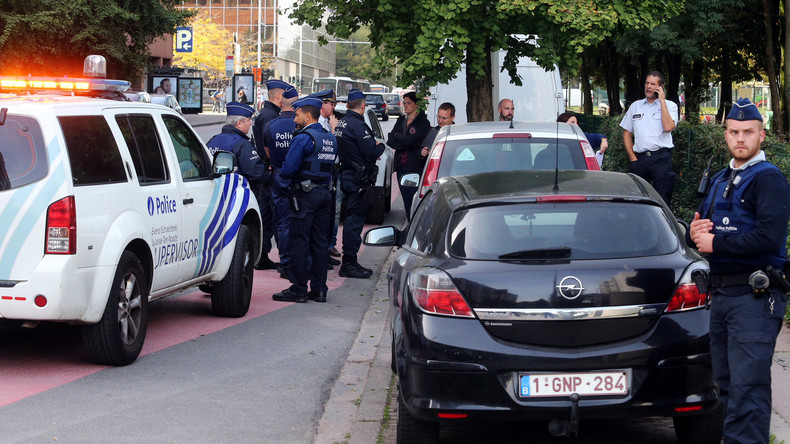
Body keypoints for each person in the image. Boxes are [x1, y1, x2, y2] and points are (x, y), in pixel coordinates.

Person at [689, 98, 790, 444]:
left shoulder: (769, 179)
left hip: (755, 298)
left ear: (761, 136)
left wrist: (717, 245)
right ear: (726, 135)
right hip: (722, 297)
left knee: (748, 390)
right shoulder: (721, 177)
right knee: (729, 389)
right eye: (734, 132)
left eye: (748, 132)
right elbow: (703, 225)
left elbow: (769, 236)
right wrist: (695, 232)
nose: (741, 138)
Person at [272, 97, 337, 303]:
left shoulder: (303, 138)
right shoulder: (330, 138)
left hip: (304, 195)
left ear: (308, 115)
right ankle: (319, 289)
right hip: (324, 195)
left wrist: (279, 186)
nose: (294, 119)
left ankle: (299, 288)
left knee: (299, 241)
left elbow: (289, 169)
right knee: (319, 242)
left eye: (297, 114)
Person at [206, 103, 270, 268]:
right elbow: (256, 173)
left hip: (214, 200)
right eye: (248, 120)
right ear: (239, 123)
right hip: (237, 200)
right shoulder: (242, 144)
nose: (250, 124)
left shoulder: (213, 141)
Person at [336, 89, 385, 279]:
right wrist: (380, 145)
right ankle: (349, 262)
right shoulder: (358, 125)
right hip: (358, 179)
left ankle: (349, 260)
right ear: (363, 106)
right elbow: (371, 151)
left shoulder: (342, 123)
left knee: (350, 218)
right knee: (355, 220)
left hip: (348, 175)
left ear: (348, 105)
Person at [619, 71, 678, 205]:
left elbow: (668, 127)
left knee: (661, 202)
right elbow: (627, 132)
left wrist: (662, 101)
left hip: (661, 159)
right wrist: (633, 158)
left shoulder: (670, 106)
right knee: (638, 202)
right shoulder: (636, 106)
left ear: (661, 87)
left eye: (653, 84)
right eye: (647, 83)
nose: (649, 87)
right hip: (640, 159)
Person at [252, 79, 290, 271]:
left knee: (266, 215)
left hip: (264, 170)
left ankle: (262, 255)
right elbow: (272, 146)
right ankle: (268, 255)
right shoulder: (270, 116)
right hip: (269, 171)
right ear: (278, 96)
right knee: (273, 217)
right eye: (286, 93)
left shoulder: (265, 113)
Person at [263, 85, 299, 278]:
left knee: (282, 222)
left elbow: (268, 153)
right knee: (301, 221)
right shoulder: (299, 124)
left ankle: (284, 261)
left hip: (277, 175)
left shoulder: (270, 125)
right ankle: (298, 262)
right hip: (298, 177)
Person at [310, 89, 342, 264]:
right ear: (323, 104)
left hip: (330, 173)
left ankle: (326, 249)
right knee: (323, 216)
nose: (334, 107)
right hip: (323, 174)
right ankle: (322, 253)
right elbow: (329, 152)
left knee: (330, 214)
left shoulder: (327, 122)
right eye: (332, 104)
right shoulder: (321, 125)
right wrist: (334, 131)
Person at [387, 91, 431, 217]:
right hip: (401, 166)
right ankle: (409, 223)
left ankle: (414, 225)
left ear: (416, 105)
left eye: (409, 103)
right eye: (404, 103)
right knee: (406, 201)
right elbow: (390, 140)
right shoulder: (401, 120)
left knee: (414, 200)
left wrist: (398, 136)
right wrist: (404, 141)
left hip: (414, 167)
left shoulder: (423, 123)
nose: (405, 106)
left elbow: (414, 140)